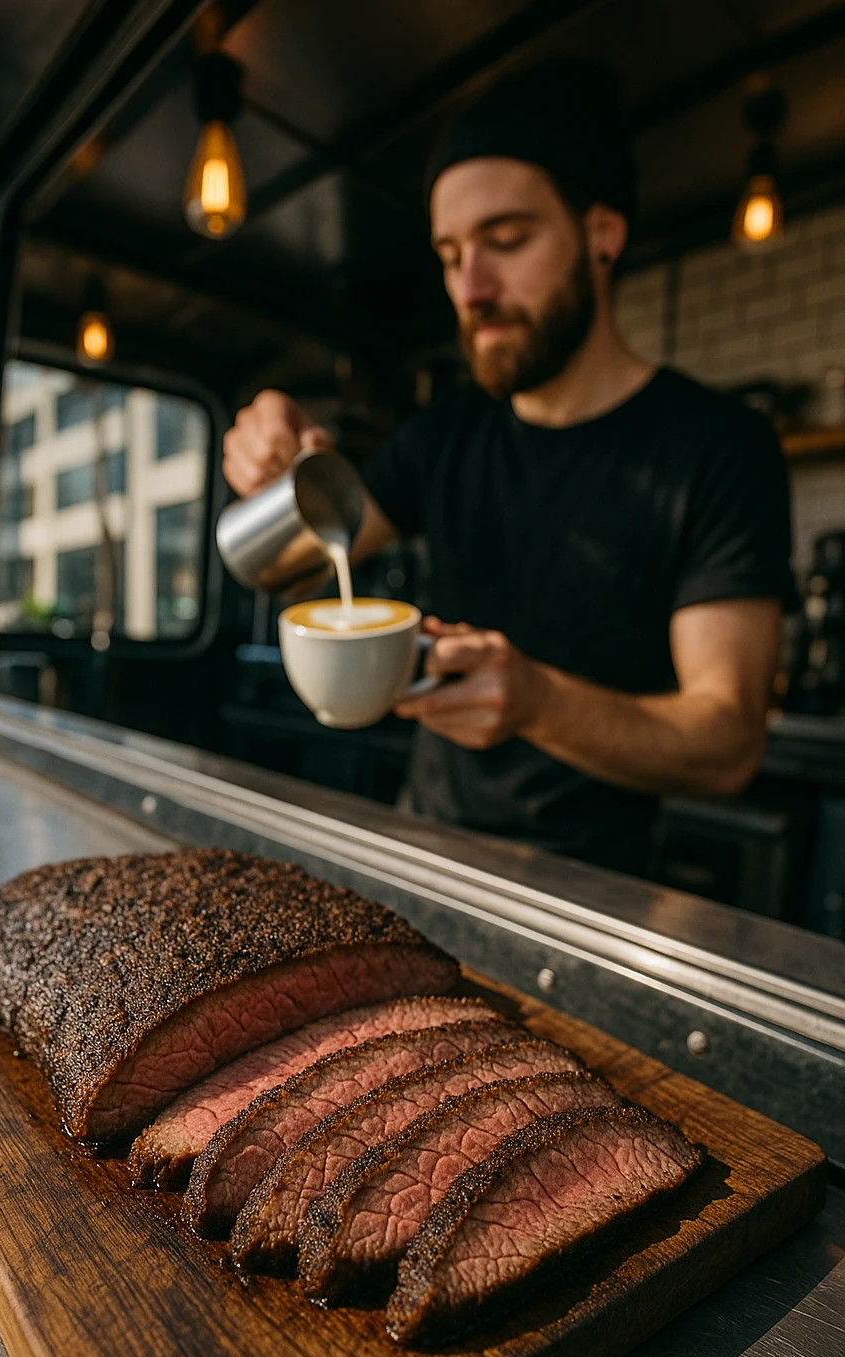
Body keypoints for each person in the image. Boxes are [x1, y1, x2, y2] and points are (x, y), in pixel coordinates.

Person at [222, 59, 795, 876]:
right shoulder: (448, 431)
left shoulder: (717, 446)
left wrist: (538, 703)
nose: (472, 288)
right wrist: (272, 469)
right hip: (427, 854)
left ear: (603, 234)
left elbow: (727, 742)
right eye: (452, 255)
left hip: (598, 892)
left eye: (506, 241)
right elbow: (291, 566)